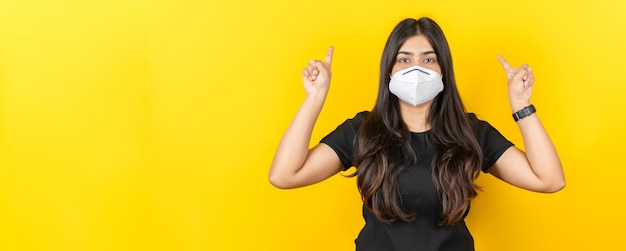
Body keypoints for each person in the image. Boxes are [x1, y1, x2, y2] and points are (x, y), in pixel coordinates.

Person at [269, 17, 565, 251]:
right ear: (389, 70)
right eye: (404, 59)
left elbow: (549, 179)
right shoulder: (364, 131)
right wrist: (315, 97)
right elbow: (284, 175)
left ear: (443, 71)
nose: (416, 69)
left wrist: (522, 106)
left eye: (428, 59)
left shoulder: (470, 132)